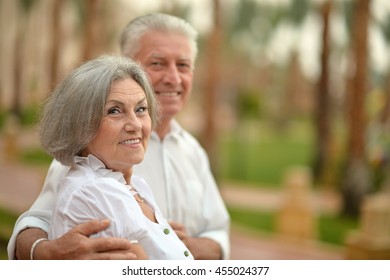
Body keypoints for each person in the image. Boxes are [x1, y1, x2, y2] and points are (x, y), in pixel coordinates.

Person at [8, 13, 230, 260]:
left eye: (183, 65)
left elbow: (218, 232)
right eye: (157, 63)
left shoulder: (193, 151)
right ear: (126, 64)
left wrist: (183, 248)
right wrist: (45, 253)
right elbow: (37, 221)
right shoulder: (89, 152)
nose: (173, 78)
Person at [37, 54, 193, 260]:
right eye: (114, 111)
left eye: (141, 109)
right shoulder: (94, 193)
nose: (136, 125)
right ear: (79, 125)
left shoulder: (134, 186)